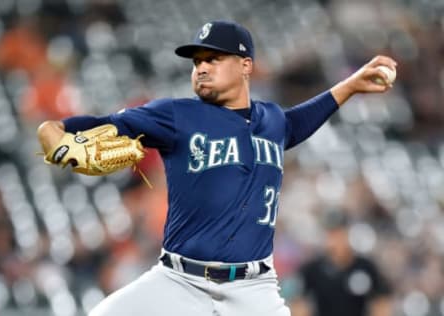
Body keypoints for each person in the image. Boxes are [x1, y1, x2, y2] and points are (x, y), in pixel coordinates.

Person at [37, 20, 397, 316]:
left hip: (254, 289)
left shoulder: (272, 120)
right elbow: (98, 123)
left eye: (213, 58)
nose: (202, 67)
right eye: (197, 62)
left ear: (245, 65)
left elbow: (297, 122)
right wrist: (55, 130)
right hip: (178, 281)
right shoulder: (175, 115)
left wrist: (350, 87)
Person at [289, 212, 393, 316]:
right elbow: (297, 302)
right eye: (331, 235)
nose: (335, 240)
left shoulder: (366, 267)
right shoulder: (312, 269)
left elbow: (382, 301)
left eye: (339, 234)